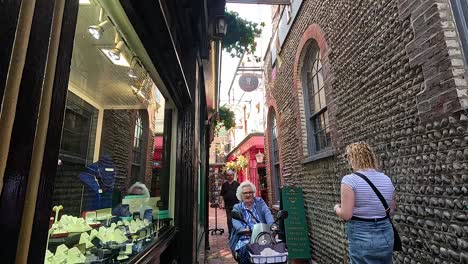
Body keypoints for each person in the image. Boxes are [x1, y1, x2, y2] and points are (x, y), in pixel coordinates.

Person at [334, 142, 396, 264]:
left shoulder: (349, 180)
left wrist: (336, 208)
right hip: (386, 235)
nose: (348, 162)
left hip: (362, 235)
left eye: (348, 157)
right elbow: (391, 209)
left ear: (353, 157)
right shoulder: (386, 179)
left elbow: (346, 215)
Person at [229, 181, 274, 264]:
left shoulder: (260, 202)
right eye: (245, 193)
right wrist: (242, 229)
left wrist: (272, 225)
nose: (248, 195)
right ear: (241, 195)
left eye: (250, 192)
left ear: (253, 193)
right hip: (245, 238)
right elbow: (235, 221)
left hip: (262, 236)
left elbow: (267, 213)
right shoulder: (237, 207)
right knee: (246, 251)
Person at [220, 169, 240, 237]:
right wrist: (221, 203)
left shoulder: (237, 184)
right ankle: (231, 233)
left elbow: (240, 194)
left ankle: (236, 232)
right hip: (228, 205)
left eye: (231, 175)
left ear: (233, 175)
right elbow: (222, 194)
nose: (230, 176)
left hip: (236, 204)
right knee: (229, 219)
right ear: (226, 176)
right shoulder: (224, 184)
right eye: (228, 175)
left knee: (236, 219)